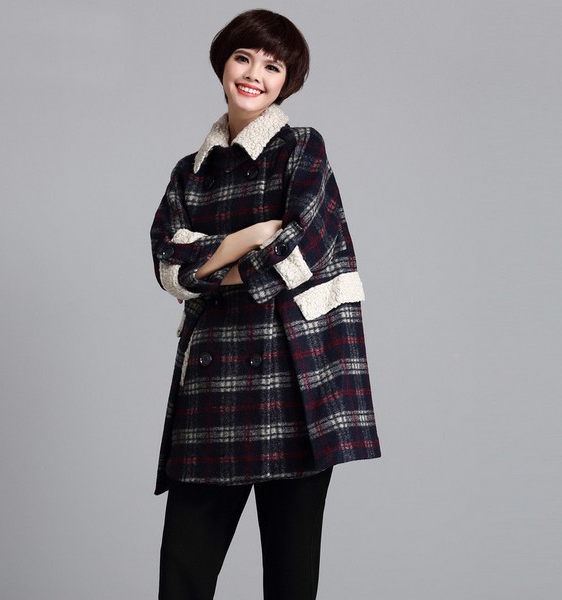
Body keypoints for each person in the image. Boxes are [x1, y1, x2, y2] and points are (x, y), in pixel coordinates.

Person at [150, 9, 381, 599]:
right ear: (223, 65)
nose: (254, 74)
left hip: (292, 383)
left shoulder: (302, 148)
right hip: (211, 393)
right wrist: (249, 237)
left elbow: (298, 251)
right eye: (243, 58)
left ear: (286, 81)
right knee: (182, 577)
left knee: (290, 581)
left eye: (272, 66)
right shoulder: (188, 174)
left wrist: (211, 264)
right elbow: (170, 269)